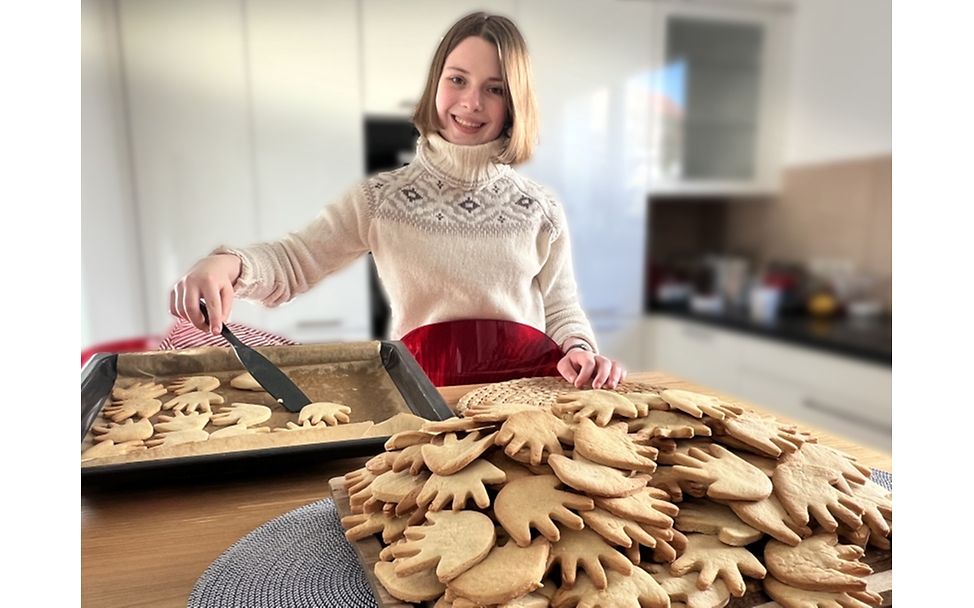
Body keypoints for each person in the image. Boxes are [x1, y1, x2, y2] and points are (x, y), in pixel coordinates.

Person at [169, 11, 627, 390]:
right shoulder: (381, 200)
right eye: (458, 79)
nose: (471, 102)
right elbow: (294, 261)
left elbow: (563, 309)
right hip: (423, 402)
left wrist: (582, 352)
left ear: (514, 103)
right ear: (436, 85)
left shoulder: (539, 209)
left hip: (528, 403)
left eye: (495, 88)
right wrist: (226, 264)